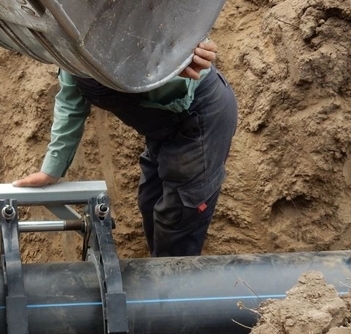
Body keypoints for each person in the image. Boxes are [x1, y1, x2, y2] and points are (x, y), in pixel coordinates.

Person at [13, 41, 238, 257]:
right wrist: (52, 169)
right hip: (163, 125)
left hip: (199, 117)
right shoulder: (73, 42)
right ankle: (160, 268)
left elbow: (181, 47)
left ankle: (173, 277)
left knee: (177, 217)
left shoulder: (132, 29)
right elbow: (70, 102)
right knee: (149, 201)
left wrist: (176, 63)